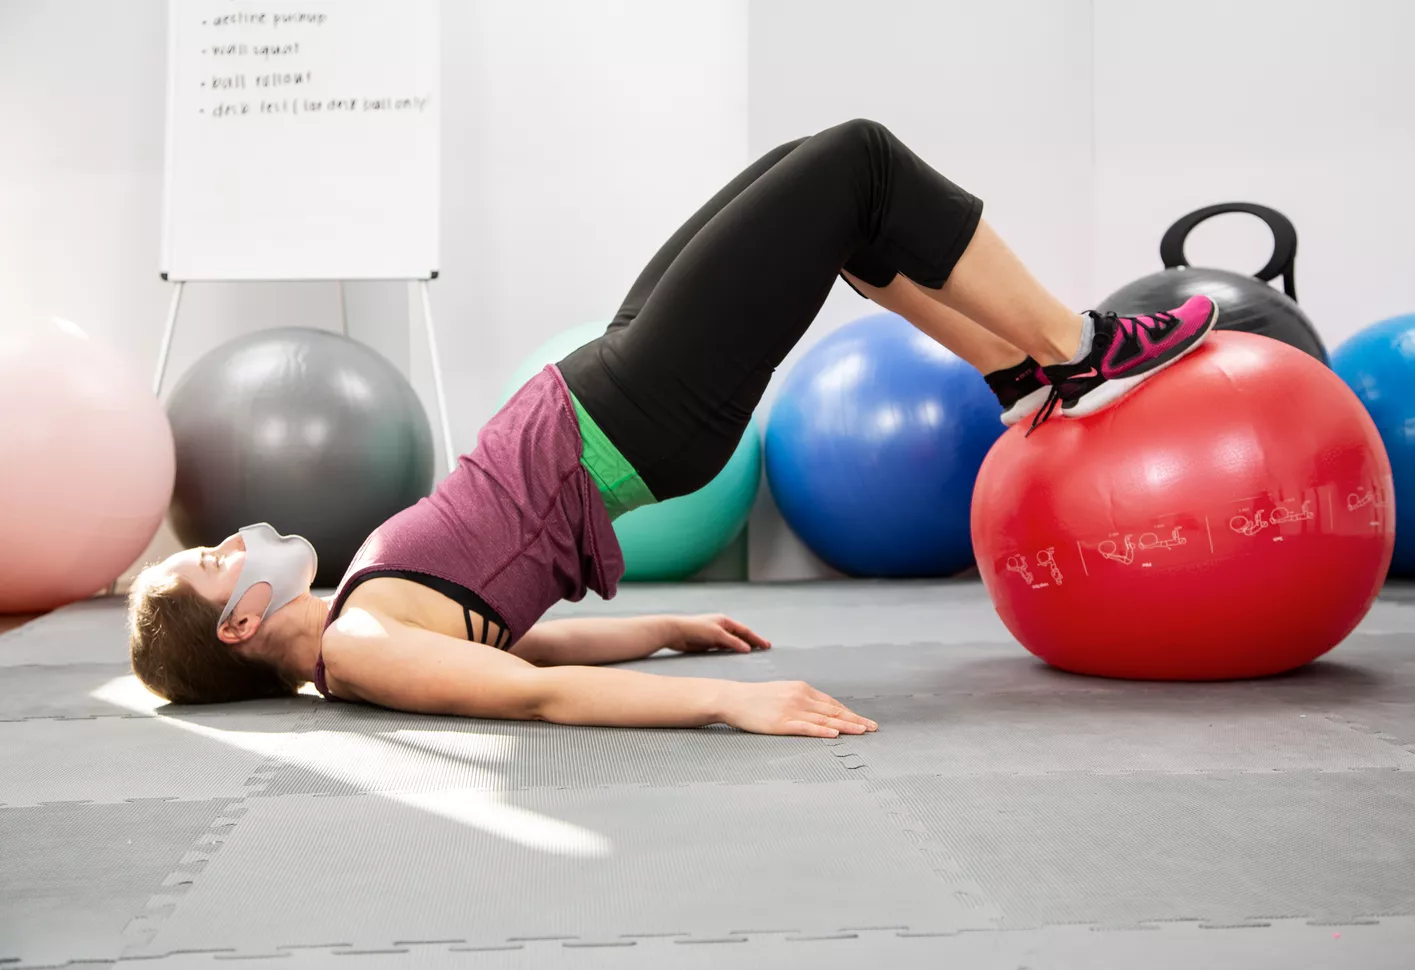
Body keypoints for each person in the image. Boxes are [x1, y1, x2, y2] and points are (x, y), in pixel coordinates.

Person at [129, 120, 1216, 738]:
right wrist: (732, 706)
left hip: (613, 388)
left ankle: (1015, 375)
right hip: (633, 412)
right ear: (237, 631)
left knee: (830, 198)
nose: (229, 541)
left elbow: (529, 640)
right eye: (214, 568)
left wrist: (671, 627)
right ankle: (1079, 348)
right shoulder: (364, 649)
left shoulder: (360, 626)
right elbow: (539, 694)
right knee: (856, 164)